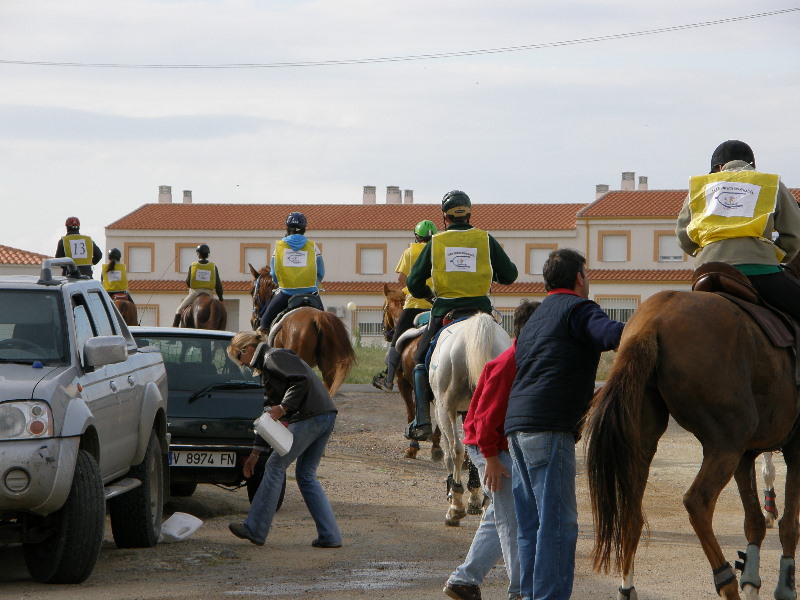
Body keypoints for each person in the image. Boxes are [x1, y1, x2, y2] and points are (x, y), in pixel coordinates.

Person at [504, 248, 624, 600]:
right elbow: (612, 335)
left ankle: (529, 595)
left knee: (531, 526)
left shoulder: (536, 317)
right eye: (587, 275)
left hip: (516, 429)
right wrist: (646, 323)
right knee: (557, 526)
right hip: (549, 428)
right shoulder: (579, 309)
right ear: (578, 278)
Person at [444, 299, 539, 600]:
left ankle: (464, 580)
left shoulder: (526, 360)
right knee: (511, 519)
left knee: (500, 511)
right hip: (487, 446)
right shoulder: (507, 364)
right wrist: (491, 461)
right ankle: (520, 592)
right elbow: (484, 419)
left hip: (500, 444)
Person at [405, 190, 518, 440]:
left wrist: (430, 295)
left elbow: (413, 283)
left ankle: (422, 420)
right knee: (511, 359)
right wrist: (492, 274)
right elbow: (510, 275)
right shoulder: (485, 239)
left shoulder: (436, 242)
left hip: (446, 312)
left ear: (444, 216)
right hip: (482, 314)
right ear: (468, 213)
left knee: (420, 360)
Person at [226, 331, 342, 549]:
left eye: (240, 359)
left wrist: (284, 407)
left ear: (248, 349)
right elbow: (268, 415)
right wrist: (254, 454)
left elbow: (301, 380)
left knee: (275, 466)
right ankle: (330, 536)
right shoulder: (269, 366)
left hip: (310, 417)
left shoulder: (273, 357)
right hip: (324, 416)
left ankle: (255, 529)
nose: (244, 366)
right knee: (306, 475)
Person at [676, 139, 800, 321]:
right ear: (752, 166)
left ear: (718, 168)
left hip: (707, 271)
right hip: (759, 271)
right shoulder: (770, 183)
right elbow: (794, 235)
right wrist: (775, 257)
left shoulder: (700, 187)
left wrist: (710, 253)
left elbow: (683, 237)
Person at [372, 219, 438, 392]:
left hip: (415, 304)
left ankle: (388, 379)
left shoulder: (410, 252)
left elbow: (402, 280)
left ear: (417, 237)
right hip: (436, 305)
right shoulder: (439, 251)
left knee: (397, 340)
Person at [259, 212, 325, 331]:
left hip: (286, 294)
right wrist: (314, 283)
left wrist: (280, 283)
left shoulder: (279, 247)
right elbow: (320, 272)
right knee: (326, 327)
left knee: (264, 322)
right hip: (310, 293)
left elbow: (273, 273)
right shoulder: (313, 246)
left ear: (287, 228)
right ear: (304, 229)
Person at [172, 243, 224, 327]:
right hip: (209, 294)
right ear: (208, 254)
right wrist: (221, 298)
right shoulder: (213, 267)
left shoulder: (193, 266)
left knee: (179, 309)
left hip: (195, 293)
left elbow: (188, 282)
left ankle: (173, 330)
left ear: (198, 254)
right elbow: (218, 285)